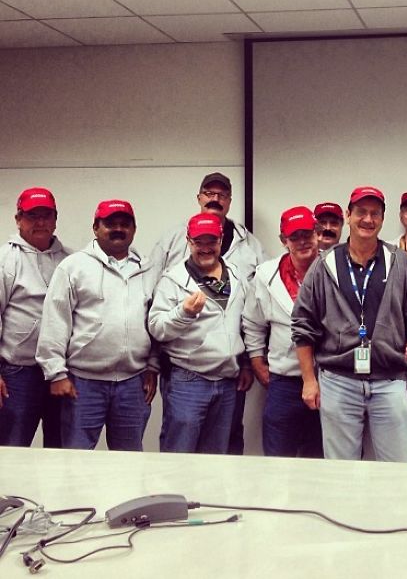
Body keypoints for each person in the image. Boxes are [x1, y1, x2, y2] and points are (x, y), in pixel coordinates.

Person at [292, 185, 407, 462]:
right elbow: (303, 325)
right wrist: (309, 380)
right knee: (341, 469)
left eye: (375, 213)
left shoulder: (399, 262)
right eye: (361, 212)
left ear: (382, 218)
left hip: (389, 380)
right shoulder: (324, 265)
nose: (368, 219)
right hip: (338, 381)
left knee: (400, 467)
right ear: (348, 215)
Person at [151, 171, 262, 454]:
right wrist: (183, 313)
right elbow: (156, 327)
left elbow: (247, 322)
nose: (205, 248)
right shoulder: (173, 279)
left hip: (227, 381)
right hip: (188, 380)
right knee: (180, 454)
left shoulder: (236, 275)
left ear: (220, 240)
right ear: (189, 241)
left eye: (211, 241)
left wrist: (246, 363)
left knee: (217, 461)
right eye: (199, 241)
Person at [36, 200, 158, 451]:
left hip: (132, 384)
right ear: (95, 228)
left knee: (129, 460)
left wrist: (152, 367)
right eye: (110, 224)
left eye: (125, 224)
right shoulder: (74, 267)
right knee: (76, 458)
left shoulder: (147, 269)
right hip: (83, 383)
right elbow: (55, 320)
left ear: (134, 229)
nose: (118, 229)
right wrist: (56, 373)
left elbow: (155, 322)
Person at [243, 206, 322, 457]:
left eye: (307, 234)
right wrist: (257, 362)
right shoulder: (266, 275)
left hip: (328, 379)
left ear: (318, 233)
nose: (302, 242)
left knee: (321, 458)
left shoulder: (334, 269)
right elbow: (253, 323)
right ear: (283, 240)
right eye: (294, 237)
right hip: (283, 381)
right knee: (278, 458)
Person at [0, 188, 70, 447]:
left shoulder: (71, 261)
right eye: (32, 216)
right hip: (18, 373)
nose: (40, 222)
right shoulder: (5, 260)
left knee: (60, 448)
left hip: (61, 371)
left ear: (55, 219)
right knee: (13, 446)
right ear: (18, 219)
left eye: (46, 215)